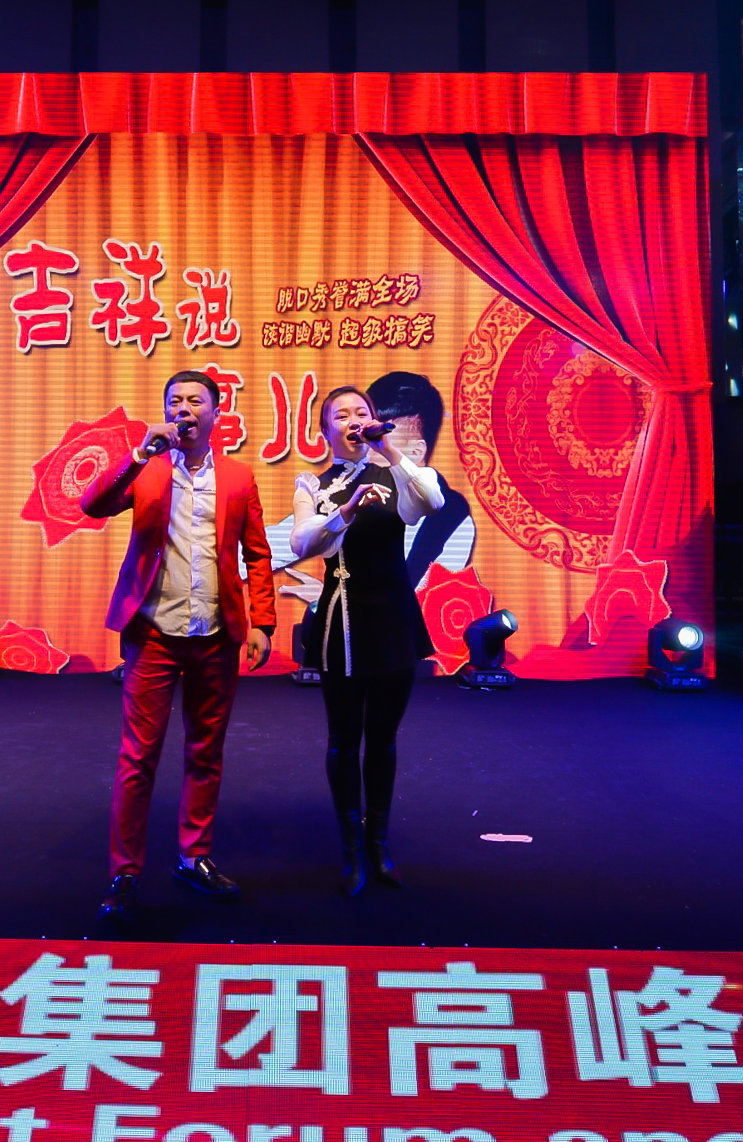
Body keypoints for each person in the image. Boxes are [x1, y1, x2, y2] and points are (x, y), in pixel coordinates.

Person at [81, 371, 276, 922]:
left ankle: (194, 858)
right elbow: (93, 505)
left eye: (195, 400)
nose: (184, 408)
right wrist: (138, 453)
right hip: (153, 633)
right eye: (175, 401)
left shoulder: (238, 477)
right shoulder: (147, 468)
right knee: (138, 756)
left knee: (205, 751)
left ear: (216, 412)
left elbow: (258, 554)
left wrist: (263, 622)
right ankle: (125, 872)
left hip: (215, 634)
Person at [290, 386, 445, 894]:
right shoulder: (313, 484)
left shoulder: (394, 472)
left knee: (383, 738)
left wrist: (389, 450)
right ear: (324, 431)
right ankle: (351, 849)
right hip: (343, 621)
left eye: (362, 412)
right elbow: (302, 542)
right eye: (341, 415)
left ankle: (379, 844)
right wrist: (347, 510)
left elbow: (432, 501)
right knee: (343, 738)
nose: (353, 420)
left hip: (394, 618)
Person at [365, 371, 475, 586]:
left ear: (416, 452)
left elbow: (426, 597)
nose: (367, 454)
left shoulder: (452, 519)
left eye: (380, 445)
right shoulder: (345, 488)